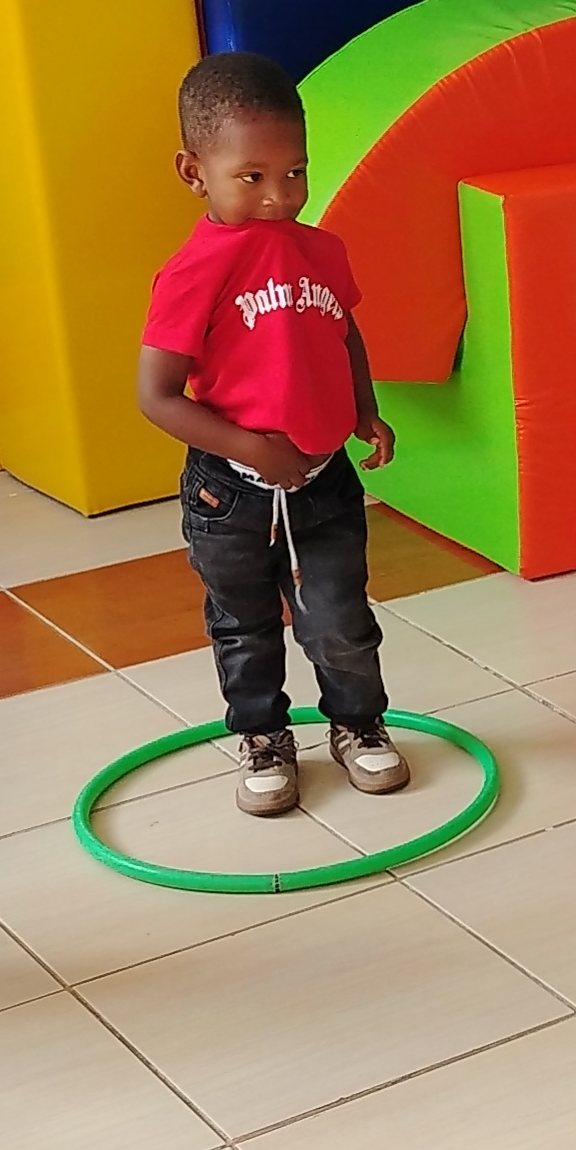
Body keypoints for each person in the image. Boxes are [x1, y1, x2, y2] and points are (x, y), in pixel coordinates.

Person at [136, 53, 404, 815]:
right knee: (245, 624)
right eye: (251, 177)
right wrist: (252, 449)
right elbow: (155, 396)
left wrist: (364, 408)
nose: (278, 196)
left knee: (340, 619)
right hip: (231, 495)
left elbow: (342, 329)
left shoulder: (321, 249)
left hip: (323, 480)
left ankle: (358, 723)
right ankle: (262, 736)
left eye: (294, 173)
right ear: (194, 173)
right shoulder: (192, 272)